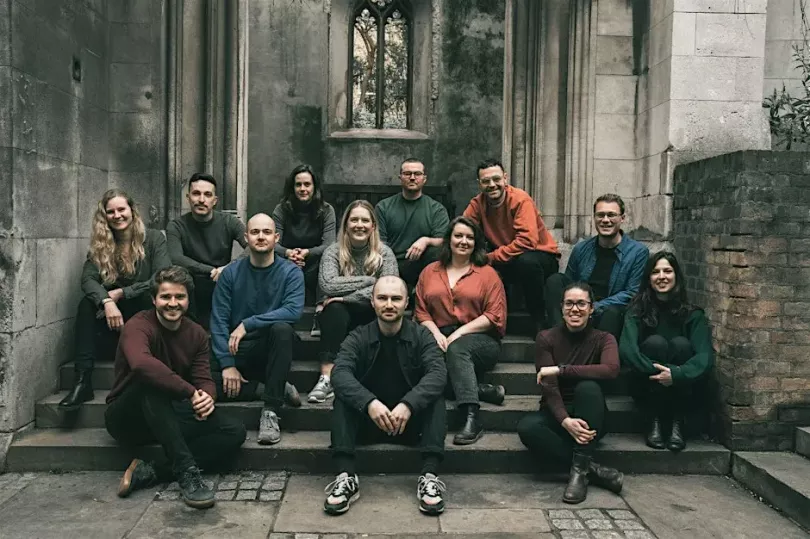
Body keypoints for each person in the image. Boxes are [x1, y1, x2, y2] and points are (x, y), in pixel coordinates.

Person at [105, 266, 246, 509]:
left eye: (179, 297)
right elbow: (141, 364)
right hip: (127, 417)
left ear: (188, 300)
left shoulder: (196, 333)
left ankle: (152, 471)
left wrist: (207, 397)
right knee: (151, 381)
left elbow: (203, 376)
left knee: (234, 430)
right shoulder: (138, 325)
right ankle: (186, 471)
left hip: (166, 414)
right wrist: (190, 392)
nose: (173, 303)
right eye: (165, 297)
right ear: (154, 299)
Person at [324, 276, 448, 516]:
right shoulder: (358, 336)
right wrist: (369, 403)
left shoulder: (422, 336)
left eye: (396, 299)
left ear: (406, 303)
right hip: (369, 422)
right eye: (382, 298)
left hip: (410, 426)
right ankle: (345, 476)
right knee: (343, 397)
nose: (389, 304)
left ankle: (429, 477)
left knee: (435, 397)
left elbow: (438, 373)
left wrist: (409, 404)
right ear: (372, 302)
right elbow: (339, 374)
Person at [60, 189, 171, 410]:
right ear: (105, 217)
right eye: (110, 212)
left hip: (145, 316)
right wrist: (107, 302)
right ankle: (82, 381)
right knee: (86, 305)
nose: (117, 215)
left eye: (122, 209)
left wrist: (123, 293)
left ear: (132, 210)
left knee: (150, 298)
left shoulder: (154, 238)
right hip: (115, 322)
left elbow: (162, 277)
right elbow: (88, 280)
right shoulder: (102, 245)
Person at [517, 282, 623, 505]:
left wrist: (561, 369)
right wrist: (565, 420)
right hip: (557, 413)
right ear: (562, 307)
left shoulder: (604, 339)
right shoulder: (546, 338)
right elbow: (549, 387)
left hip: (591, 414)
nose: (575, 309)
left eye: (581, 304)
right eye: (569, 304)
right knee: (527, 427)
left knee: (588, 387)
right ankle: (588, 469)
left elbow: (611, 370)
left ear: (591, 308)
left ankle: (577, 476)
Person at [209, 213, 305, 445]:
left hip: (271, 347)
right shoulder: (230, 274)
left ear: (276, 238)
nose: (261, 237)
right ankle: (266, 388)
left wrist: (248, 323)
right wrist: (227, 365)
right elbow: (219, 320)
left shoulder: (291, 272)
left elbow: (293, 311)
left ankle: (271, 410)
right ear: (246, 237)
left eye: (266, 232)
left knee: (282, 330)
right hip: (238, 348)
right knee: (198, 379)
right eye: (255, 232)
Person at [414, 216, 507, 445]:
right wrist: (436, 334)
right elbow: (421, 311)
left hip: (480, 339)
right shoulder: (429, 272)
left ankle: (471, 416)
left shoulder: (487, 274)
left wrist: (457, 333)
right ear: (449, 240)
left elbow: (494, 315)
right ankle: (481, 390)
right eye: (458, 236)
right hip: (438, 334)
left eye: (469, 237)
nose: (463, 241)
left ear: (476, 243)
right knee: (420, 369)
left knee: (456, 349)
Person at [619, 251, 714, 452]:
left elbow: (704, 357)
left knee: (681, 344)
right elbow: (627, 350)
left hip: (682, 388)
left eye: (667, 271)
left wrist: (676, 374)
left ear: (676, 276)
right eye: (655, 272)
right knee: (656, 343)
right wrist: (659, 373)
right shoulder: (637, 309)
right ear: (649, 278)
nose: (661, 276)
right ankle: (654, 420)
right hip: (645, 385)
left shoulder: (692, 314)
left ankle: (676, 423)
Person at [308, 200, 398, 404]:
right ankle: (326, 378)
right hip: (341, 316)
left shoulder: (385, 253)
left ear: (373, 226)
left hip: (370, 311)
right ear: (346, 225)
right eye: (354, 220)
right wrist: (371, 281)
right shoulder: (333, 251)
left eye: (365, 220)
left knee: (383, 304)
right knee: (334, 309)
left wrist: (346, 297)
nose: (360, 225)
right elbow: (328, 285)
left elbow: (390, 288)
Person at [462, 158, 560, 331]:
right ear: (479, 184)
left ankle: (539, 321)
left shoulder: (520, 200)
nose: (492, 185)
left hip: (540, 255)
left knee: (526, 262)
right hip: (508, 256)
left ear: (505, 178)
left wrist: (491, 257)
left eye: (496, 179)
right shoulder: (477, 204)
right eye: (486, 181)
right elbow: (462, 229)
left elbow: (527, 241)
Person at [545, 194, 648, 339]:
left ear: (622, 218)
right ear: (594, 218)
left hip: (610, 311)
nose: (605, 220)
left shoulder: (638, 252)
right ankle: (559, 338)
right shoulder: (581, 249)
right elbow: (570, 284)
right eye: (600, 215)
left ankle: (601, 354)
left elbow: (632, 293)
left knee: (612, 312)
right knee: (555, 280)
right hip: (582, 306)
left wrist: (595, 307)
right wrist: (580, 306)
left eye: (611, 215)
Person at [166, 172, 248, 329]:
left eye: (207, 194)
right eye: (196, 194)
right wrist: (211, 270)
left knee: (244, 272)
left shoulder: (229, 222)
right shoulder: (176, 226)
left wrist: (231, 267)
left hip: (222, 282)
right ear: (188, 197)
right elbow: (176, 257)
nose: (201, 200)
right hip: (191, 285)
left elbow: (252, 247)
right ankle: (189, 332)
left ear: (215, 200)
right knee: (179, 276)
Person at [375, 158, 450, 289]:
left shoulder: (436, 209)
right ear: (400, 177)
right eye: (407, 173)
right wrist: (391, 270)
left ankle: (418, 291)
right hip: (391, 266)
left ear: (424, 179)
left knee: (437, 252)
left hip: (423, 267)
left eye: (417, 174)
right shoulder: (384, 207)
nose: (412, 178)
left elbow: (445, 240)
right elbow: (379, 243)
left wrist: (426, 240)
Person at [271, 164, 337, 304]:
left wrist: (307, 253)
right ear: (292, 188)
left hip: (316, 262)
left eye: (307, 184)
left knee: (328, 260)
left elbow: (329, 244)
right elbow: (273, 243)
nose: (303, 189)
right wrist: (289, 253)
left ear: (314, 187)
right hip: (287, 259)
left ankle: (321, 306)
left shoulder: (326, 210)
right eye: (298, 185)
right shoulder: (281, 209)